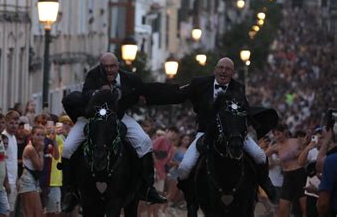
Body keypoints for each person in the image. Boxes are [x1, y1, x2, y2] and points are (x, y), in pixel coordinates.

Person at [61, 52, 168, 212]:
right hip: (92, 118)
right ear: (100, 67)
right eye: (106, 67)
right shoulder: (93, 76)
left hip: (118, 117)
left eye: (113, 66)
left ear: (118, 65)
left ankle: (147, 188)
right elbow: (86, 94)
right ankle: (70, 192)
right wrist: (98, 93)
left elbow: (143, 90)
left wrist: (145, 97)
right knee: (68, 147)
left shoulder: (130, 78)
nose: (110, 70)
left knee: (144, 141)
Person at [172, 57, 278, 211]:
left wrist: (243, 125)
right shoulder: (200, 83)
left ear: (232, 73)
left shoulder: (238, 88)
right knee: (185, 167)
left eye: (227, 69)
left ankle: (266, 184)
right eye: (221, 68)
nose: (223, 71)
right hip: (204, 132)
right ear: (215, 69)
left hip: (233, 132)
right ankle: (191, 201)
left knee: (260, 156)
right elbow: (181, 95)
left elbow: (242, 111)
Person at [268, 124, 307, 217]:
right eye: (275, 135)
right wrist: (270, 147)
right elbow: (263, 155)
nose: (278, 136)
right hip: (287, 175)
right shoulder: (276, 147)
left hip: (299, 173)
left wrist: (300, 151)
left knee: (304, 207)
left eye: (279, 133)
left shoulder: (296, 141)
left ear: (284, 132)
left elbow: (305, 155)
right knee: (283, 207)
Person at [19, 125, 45, 217]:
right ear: (32, 136)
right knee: (31, 213)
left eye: (42, 135)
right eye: (38, 134)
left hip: (33, 181)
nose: (40, 137)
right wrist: (41, 152)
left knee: (36, 212)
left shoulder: (36, 148)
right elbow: (39, 167)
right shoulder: (30, 148)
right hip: (27, 181)